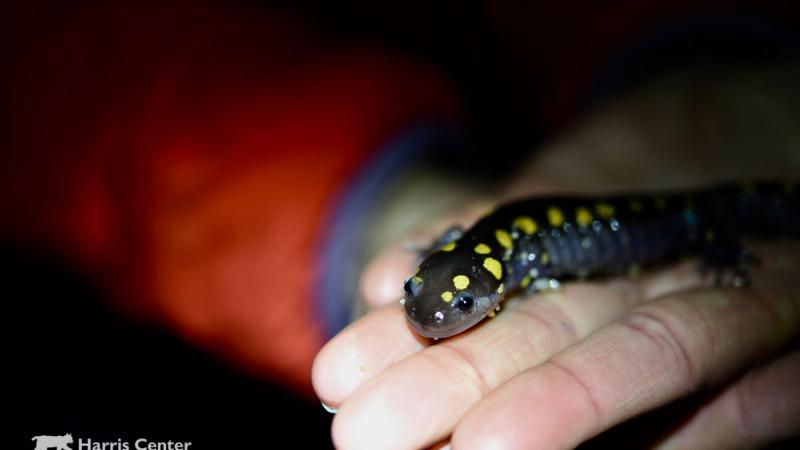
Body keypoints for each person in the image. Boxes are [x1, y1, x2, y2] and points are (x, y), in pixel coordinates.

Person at [312, 63, 800, 449]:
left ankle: (729, 241)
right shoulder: (486, 256)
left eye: (462, 305)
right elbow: (462, 244)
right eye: (413, 287)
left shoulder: (500, 260)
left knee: (703, 223)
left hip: (671, 219)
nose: (428, 314)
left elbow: (473, 245)